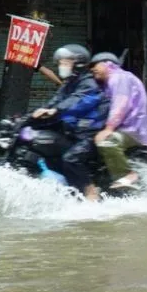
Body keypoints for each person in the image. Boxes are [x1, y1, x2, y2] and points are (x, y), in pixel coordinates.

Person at [31, 44, 108, 194]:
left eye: (65, 62)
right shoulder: (69, 83)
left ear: (78, 63)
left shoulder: (88, 83)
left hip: (90, 133)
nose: (61, 66)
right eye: (60, 62)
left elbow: (77, 101)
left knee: (71, 158)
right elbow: (55, 100)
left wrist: (56, 110)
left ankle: (90, 193)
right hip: (74, 132)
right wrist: (29, 117)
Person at [89, 52, 147, 189]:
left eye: (96, 65)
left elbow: (121, 104)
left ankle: (127, 174)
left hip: (131, 129)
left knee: (107, 142)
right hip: (126, 127)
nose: (92, 68)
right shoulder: (109, 83)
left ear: (108, 64)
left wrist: (108, 129)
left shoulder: (118, 78)